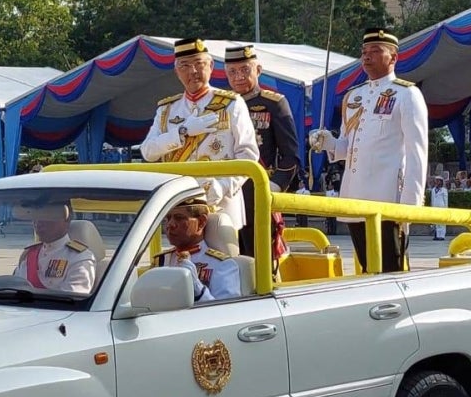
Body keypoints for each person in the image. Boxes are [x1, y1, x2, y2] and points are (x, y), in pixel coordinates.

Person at [309, 27, 429, 273]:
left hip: (387, 197)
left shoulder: (406, 94)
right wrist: (327, 142)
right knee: (366, 267)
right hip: (355, 195)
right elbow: (346, 148)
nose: (367, 56)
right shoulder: (354, 96)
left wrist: (409, 205)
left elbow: (417, 152)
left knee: (391, 269)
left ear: (393, 58)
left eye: (375, 51)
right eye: (364, 52)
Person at [140, 38, 259, 230]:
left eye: (199, 64)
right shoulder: (167, 110)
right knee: (180, 258)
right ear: (176, 71)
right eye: (185, 66)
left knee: (223, 259)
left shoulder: (231, 103)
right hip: (178, 206)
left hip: (221, 207)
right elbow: (148, 151)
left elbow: (248, 154)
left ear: (211, 66)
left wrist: (223, 186)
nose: (193, 71)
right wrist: (182, 132)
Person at [223, 44, 301, 257]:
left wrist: (274, 186)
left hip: (256, 190)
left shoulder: (273, 103)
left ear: (258, 70)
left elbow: (291, 154)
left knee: (259, 258)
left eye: (245, 70)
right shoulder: (221, 105)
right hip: (225, 192)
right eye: (233, 72)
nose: (239, 76)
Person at [152, 197, 241, 302]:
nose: (170, 224)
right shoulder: (161, 260)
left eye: (179, 218)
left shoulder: (222, 265)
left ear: (201, 222)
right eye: (168, 218)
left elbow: (226, 313)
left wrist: (198, 290)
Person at [13, 203, 96, 294]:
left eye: (47, 216)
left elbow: (72, 300)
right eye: (35, 216)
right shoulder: (28, 254)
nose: (38, 223)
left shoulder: (79, 258)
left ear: (66, 219)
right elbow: (15, 289)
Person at [429, 176, 448, 241]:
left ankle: (442, 236)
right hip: (435, 208)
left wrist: (446, 209)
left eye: (438, 181)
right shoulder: (433, 190)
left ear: (441, 182)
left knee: (442, 222)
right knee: (436, 222)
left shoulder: (444, 190)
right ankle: (437, 235)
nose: (437, 182)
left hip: (442, 208)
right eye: (436, 181)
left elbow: (445, 200)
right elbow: (432, 199)